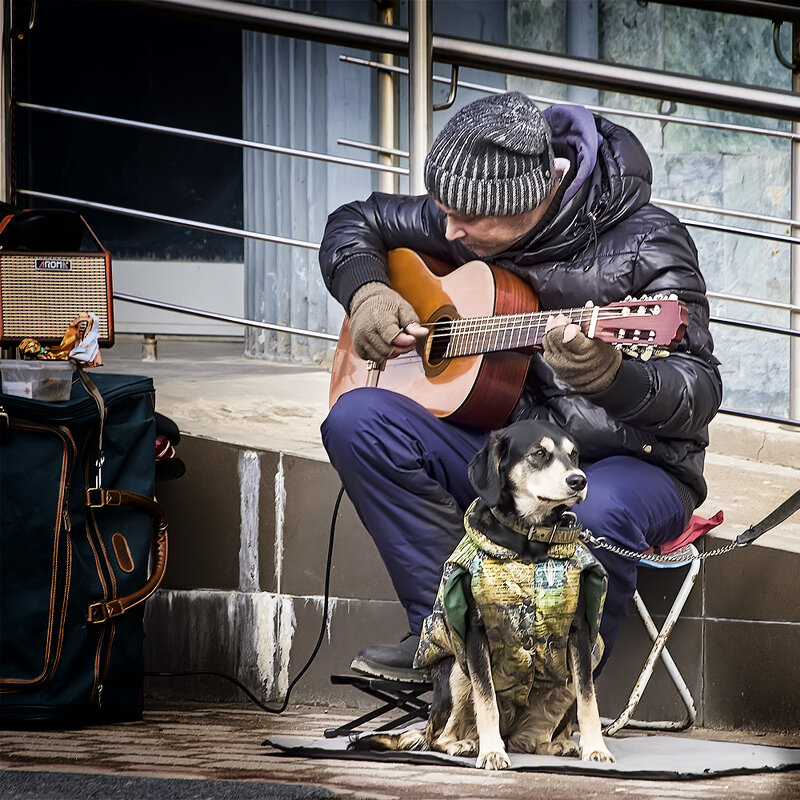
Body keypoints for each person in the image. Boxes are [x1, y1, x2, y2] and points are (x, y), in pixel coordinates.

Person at [318, 91, 722, 681]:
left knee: (591, 508)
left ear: (526, 200)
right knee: (357, 421)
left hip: (633, 463)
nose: (449, 229)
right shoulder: (464, 218)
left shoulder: (647, 241)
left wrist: (614, 376)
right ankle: (452, 639)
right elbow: (355, 221)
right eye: (443, 210)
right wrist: (367, 290)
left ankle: (543, 697)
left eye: (465, 217)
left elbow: (698, 390)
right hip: (506, 452)